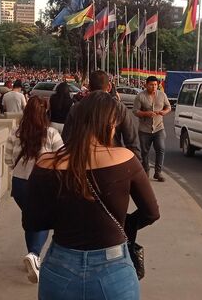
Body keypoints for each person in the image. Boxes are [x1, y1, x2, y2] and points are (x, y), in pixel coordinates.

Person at [25, 91, 160, 300]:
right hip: (113, 268)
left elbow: (32, 221)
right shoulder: (125, 159)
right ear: (109, 124)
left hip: (60, 265)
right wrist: (123, 225)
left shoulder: (46, 163)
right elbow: (151, 213)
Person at [5, 96, 63, 283]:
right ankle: (34, 254)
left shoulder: (16, 132)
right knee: (43, 220)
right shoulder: (51, 133)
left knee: (31, 218)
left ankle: (32, 256)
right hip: (43, 183)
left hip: (20, 184)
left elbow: (7, 160)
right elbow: (61, 159)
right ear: (45, 111)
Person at [62, 71, 140, 160]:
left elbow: (66, 140)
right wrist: (136, 168)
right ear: (109, 87)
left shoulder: (77, 108)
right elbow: (132, 142)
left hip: (83, 161)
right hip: (112, 160)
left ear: (89, 87)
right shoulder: (118, 107)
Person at [133, 76, 171, 182]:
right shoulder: (140, 96)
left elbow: (168, 107)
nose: (153, 87)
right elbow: (135, 111)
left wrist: (165, 112)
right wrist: (146, 113)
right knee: (145, 152)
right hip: (144, 129)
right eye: (151, 85)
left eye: (155, 85)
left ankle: (158, 173)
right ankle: (146, 171)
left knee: (161, 149)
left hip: (159, 128)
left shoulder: (162, 95)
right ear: (146, 85)